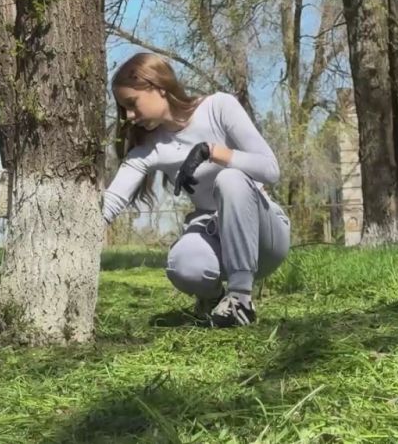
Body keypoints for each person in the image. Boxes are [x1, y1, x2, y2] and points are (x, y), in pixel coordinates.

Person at [102, 53, 291, 327]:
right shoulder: (148, 149)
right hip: (214, 234)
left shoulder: (218, 107)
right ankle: (215, 300)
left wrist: (212, 152)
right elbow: (111, 202)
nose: (129, 116)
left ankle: (241, 300)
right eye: (124, 109)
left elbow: (270, 169)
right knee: (182, 266)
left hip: (265, 237)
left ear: (157, 87)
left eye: (132, 104)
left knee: (230, 179)